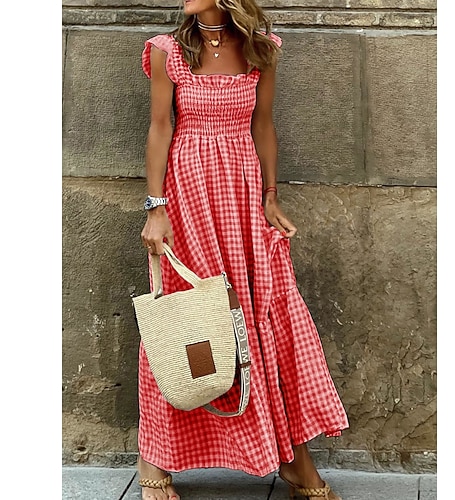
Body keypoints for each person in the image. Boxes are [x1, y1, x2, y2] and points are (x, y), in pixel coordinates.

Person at [138, 0, 349, 498]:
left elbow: (263, 126)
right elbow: (161, 127)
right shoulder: (169, 50)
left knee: (256, 313)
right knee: (190, 319)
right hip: (189, 195)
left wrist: (271, 196)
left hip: (243, 194)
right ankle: (154, 459)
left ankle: (291, 457)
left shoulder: (261, 49)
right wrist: (155, 208)